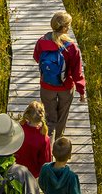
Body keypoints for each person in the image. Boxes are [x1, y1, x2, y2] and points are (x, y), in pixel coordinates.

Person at [33, 10, 86, 138]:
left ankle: (47, 145)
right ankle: (58, 144)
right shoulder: (71, 47)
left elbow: (36, 57)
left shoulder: (42, 41)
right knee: (62, 118)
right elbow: (77, 72)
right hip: (65, 87)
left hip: (46, 86)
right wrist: (81, 91)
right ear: (65, 28)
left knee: (50, 119)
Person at [14, 101, 52, 178]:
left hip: (15, 169)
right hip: (32, 174)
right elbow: (45, 162)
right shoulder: (44, 139)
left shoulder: (18, 129)